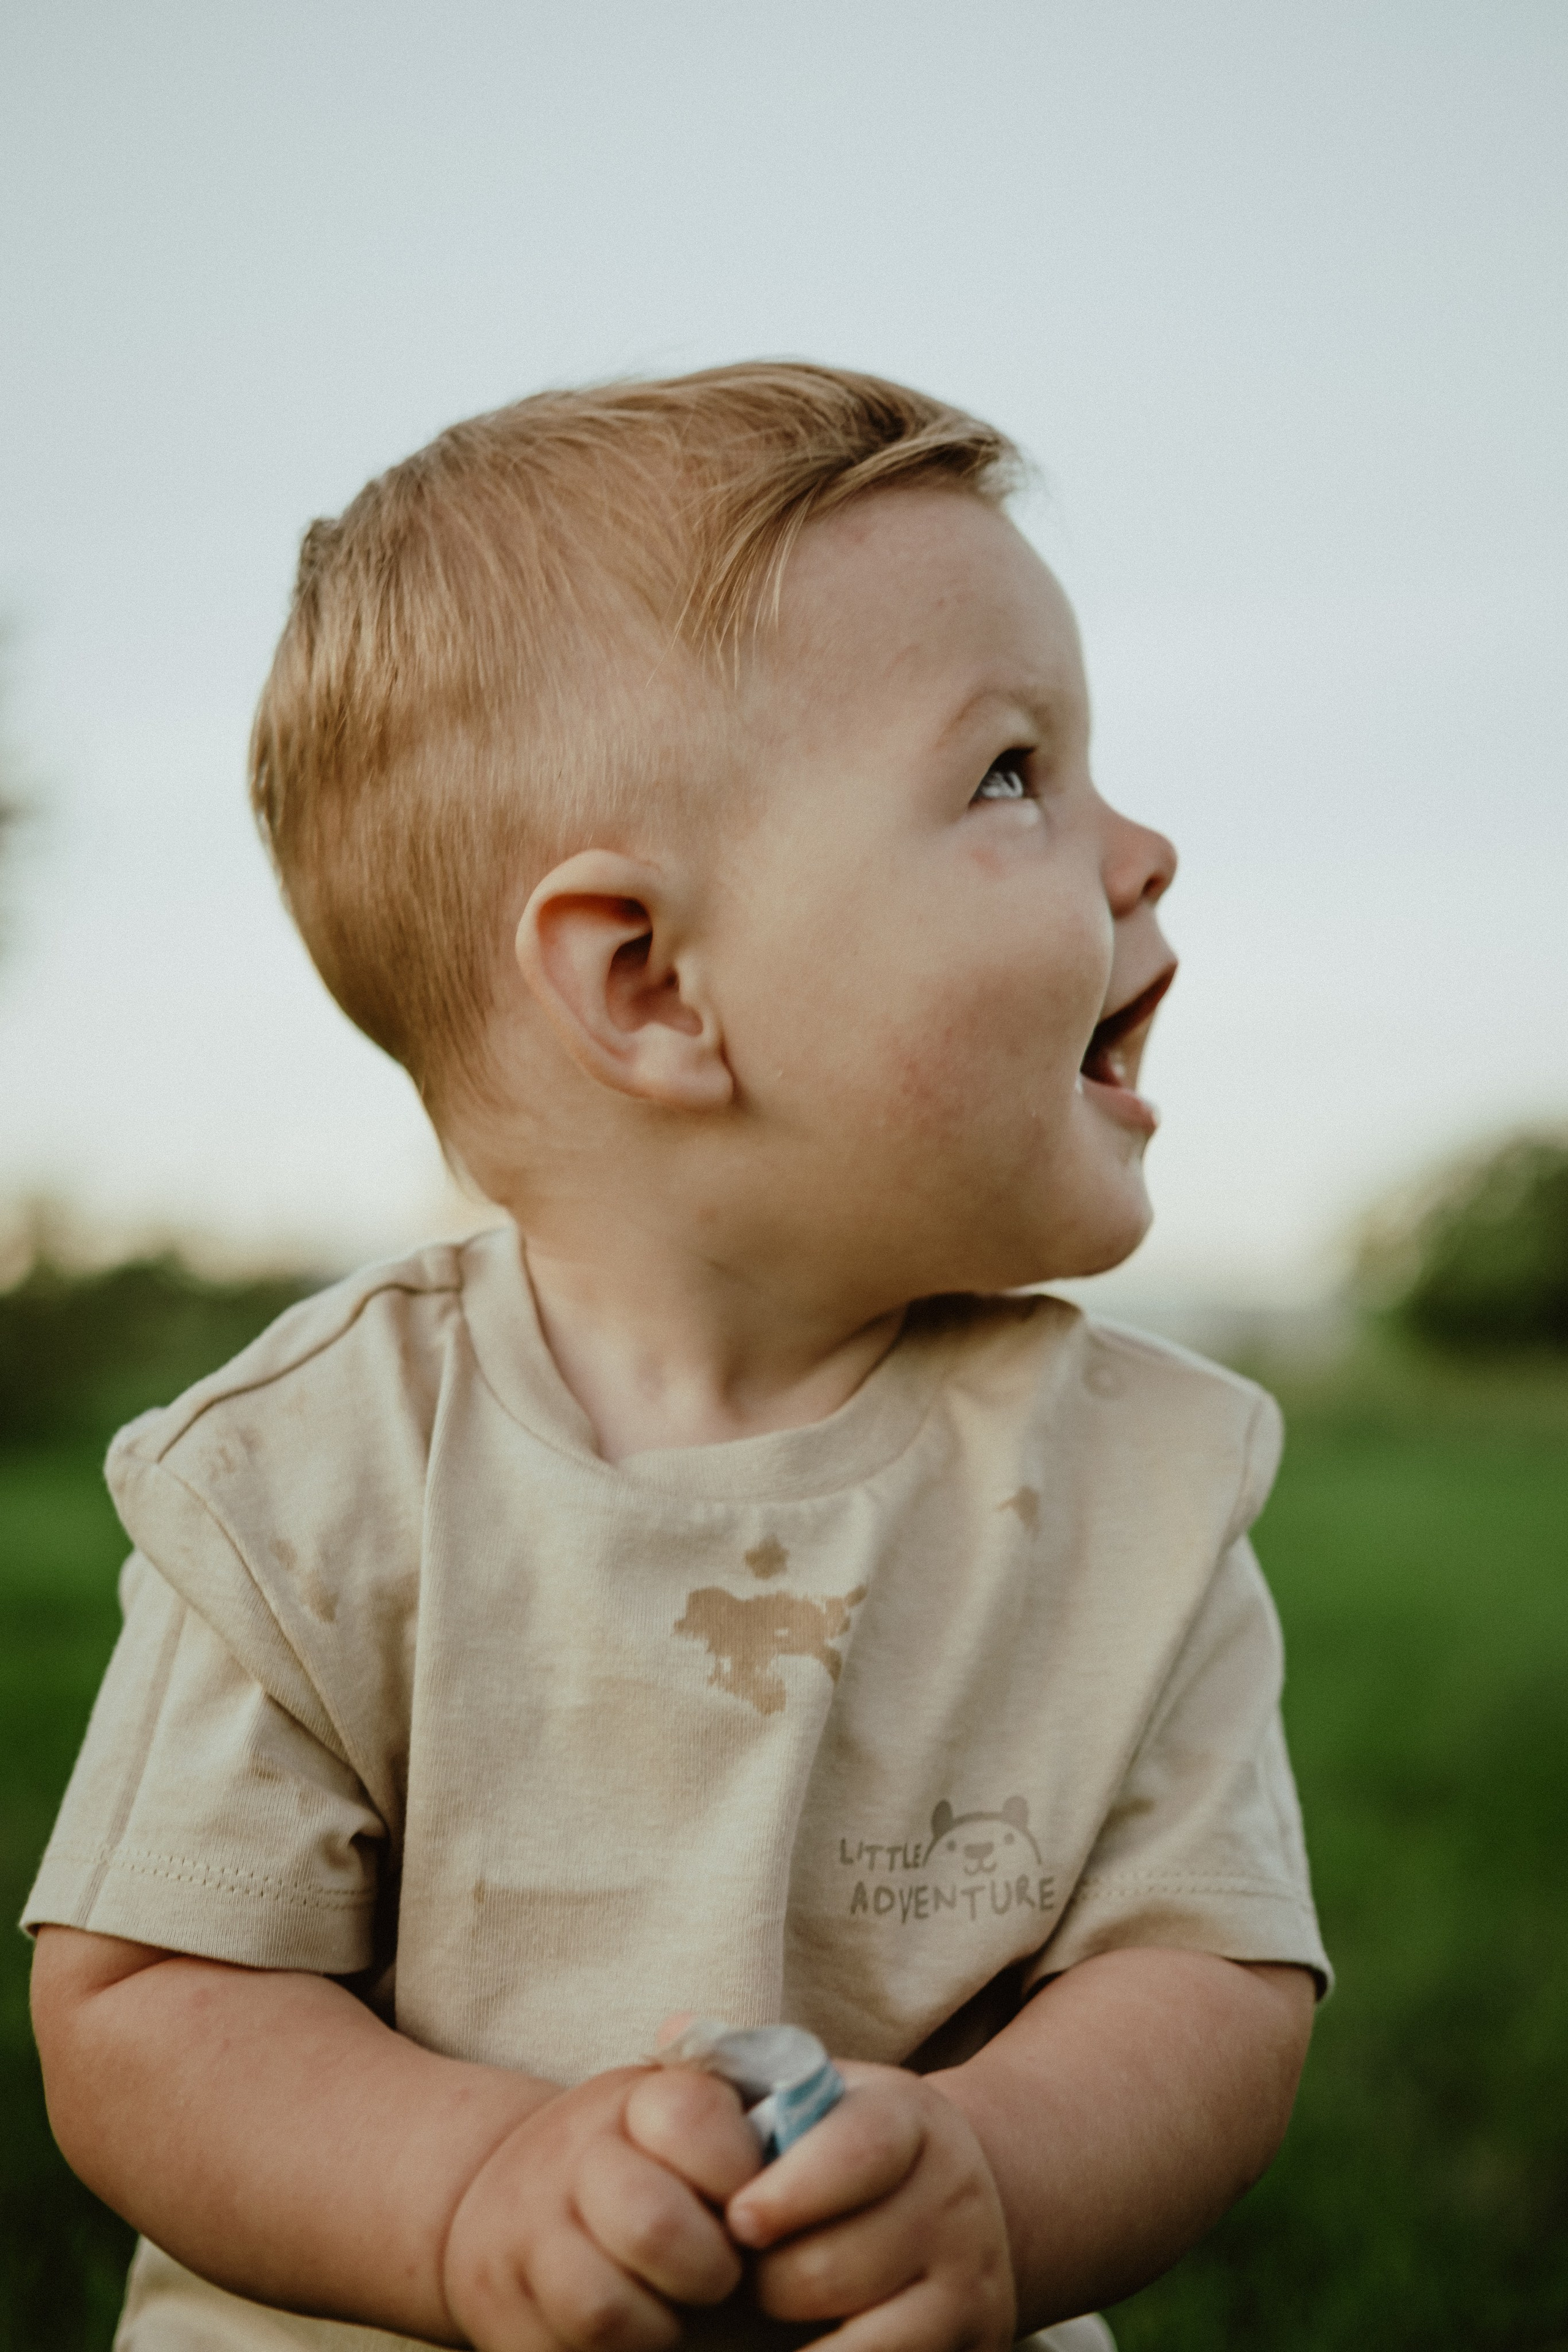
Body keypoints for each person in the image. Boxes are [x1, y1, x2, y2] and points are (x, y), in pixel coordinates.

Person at [26, 364, 1329, 2352]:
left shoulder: (1140, 1493)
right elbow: (147, 2009)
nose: (1143, 850)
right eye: (1010, 774)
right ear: (649, 984)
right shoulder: (310, 1483)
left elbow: (1209, 1989)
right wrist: (466, 2196)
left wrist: (997, 2177)